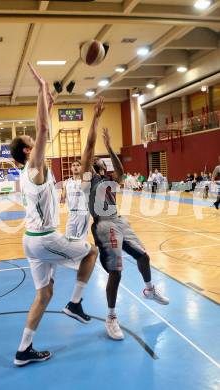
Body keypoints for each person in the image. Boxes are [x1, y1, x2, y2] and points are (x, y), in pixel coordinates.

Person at [10, 64, 97, 366]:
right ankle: (74, 304)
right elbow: (44, 128)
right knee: (92, 253)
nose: (34, 141)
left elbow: (44, 126)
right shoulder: (34, 167)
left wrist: (48, 99)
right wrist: (39, 89)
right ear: (26, 152)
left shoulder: (28, 171)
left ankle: (23, 350)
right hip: (45, 239)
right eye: (29, 141)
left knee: (44, 295)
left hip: (31, 242)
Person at [81, 99, 169, 341]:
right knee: (116, 272)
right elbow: (89, 145)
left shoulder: (106, 175)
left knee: (144, 256)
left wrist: (110, 147)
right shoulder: (87, 177)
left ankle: (149, 289)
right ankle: (111, 317)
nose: (96, 159)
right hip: (103, 224)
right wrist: (96, 118)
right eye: (95, 158)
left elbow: (121, 174)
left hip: (118, 220)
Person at [61, 160, 90, 239]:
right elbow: (62, 199)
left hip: (83, 213)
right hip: (71, 214)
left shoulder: (85, 181)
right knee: (68, 239)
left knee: (80, 240)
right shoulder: (67, 182)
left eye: (78, 165)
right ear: (71, 168)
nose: (75, 167)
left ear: (81, 168)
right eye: (73, 165)